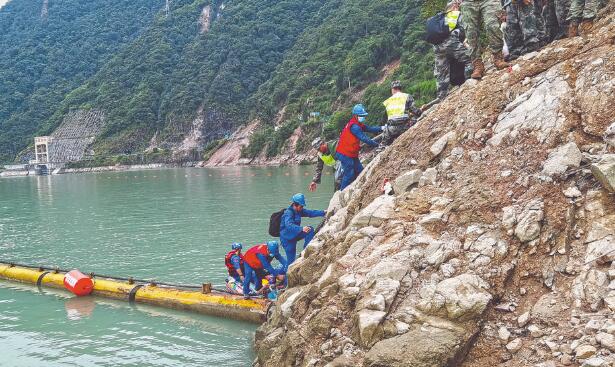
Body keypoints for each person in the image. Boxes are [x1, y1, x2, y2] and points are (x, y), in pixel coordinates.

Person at [335, 104, 384, 190]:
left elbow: (370, 129)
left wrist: (382, 128)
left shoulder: (357, 124)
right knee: (349, 174)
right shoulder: (354, 127)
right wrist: (377, 145)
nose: (363, 117)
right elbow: (364, 138)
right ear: (356, 115)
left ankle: (361, 189)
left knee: (361, 171)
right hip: (345, 154)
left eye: (363, 116)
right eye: (361, 116)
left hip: (351, 153)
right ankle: (341, 193)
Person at [431, 2, 472, 100]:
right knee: (469, 59)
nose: (459, 8)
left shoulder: (439, 18)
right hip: (451, 42)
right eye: (458, 6)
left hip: (437, 47)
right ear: (454, 7)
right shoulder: (455, 14)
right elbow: (466, 28)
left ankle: (442, 96)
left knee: (442, 72)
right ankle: (468, 83)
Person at [461, 0, 510, 79]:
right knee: (470, 33)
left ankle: (498, 58)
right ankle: (478, 65)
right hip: (468, 2)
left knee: (492, 26)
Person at [280, 193, 325, 266]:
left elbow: (310, 213)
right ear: (295, 205)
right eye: (301, 206)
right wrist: (301, 228)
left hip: (295, 234)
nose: (302, 208)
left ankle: (306, 251)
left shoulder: (299, 210)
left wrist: (323, 212)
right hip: (287, 239)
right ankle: (285, 275)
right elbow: (289, 225)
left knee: (309, 230)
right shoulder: (288, 213)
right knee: (291, 262)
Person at [378, 81, 423, 145]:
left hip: (391, 129)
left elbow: (384, 119)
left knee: (384, 143)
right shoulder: (407, 96)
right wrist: (420, 111)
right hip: (405, 126)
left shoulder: (387, 101)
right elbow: (415, 110)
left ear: (392, 89)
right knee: (414, 119)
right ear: (400, 89)